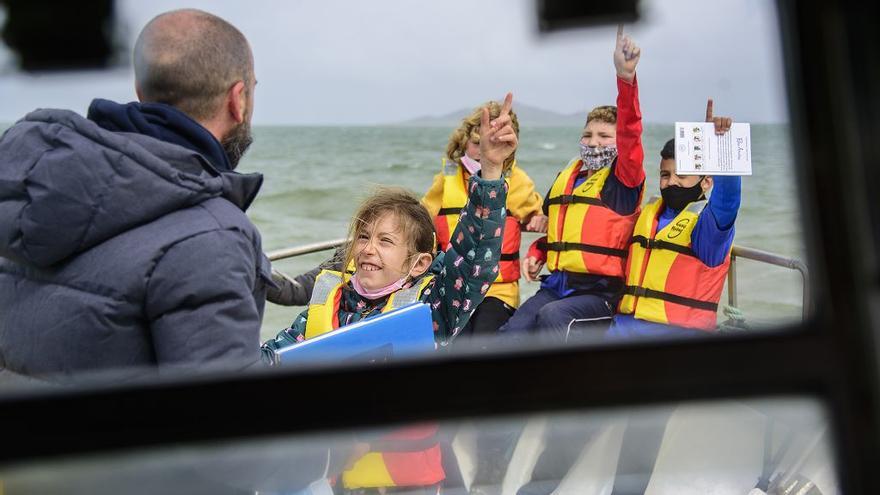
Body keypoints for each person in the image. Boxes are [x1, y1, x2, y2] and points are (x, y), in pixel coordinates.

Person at [261, 95, 518, 494]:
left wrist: (490, 170)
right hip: (337, 475)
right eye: (363, 237)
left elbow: (473, 258)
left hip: (405, 483)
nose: (367, 248)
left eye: (384, 241)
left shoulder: (432, 307)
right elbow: (277, 357)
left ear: (417, 264)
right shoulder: (332, 298)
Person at [0, 9, 268, 384]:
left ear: (142, 92)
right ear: (237, 100)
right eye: (253, 88)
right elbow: (226, 424)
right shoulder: (212, 236)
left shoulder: (31, 193)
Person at [498, 25, 644, 343]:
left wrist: (626, 79)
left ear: (618, 142)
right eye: (588, 135)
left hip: (601, 294)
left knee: (554, 318)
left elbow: (632, 129)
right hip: (558, 285)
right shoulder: (571, 177)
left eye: (604, 136)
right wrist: (537, 249)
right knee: (510, 334)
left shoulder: (624, 178)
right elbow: (557, 231)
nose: (594, 142)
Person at [608, 99, 740, 339]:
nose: (671, 182)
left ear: (707, 181)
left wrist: (718, 145)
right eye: (665, 175)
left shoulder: (708, 228)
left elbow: (728, 201)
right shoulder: (649, 214)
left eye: (683, 175)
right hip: (622, 329)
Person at [421, 103, 545, 339]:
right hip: (452, 284)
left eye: (493, 143)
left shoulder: (516, 180)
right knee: (453, 340)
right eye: (477, 143)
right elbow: (422, 214)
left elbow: (534, 210)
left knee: (483, 340)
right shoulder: (447, 178)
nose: (482, 149)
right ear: (464, 141)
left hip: (498, 290)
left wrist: (537, 218)